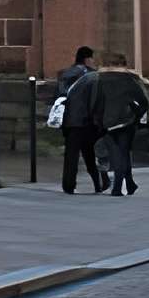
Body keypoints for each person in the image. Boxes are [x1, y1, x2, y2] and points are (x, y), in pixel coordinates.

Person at [87, 51, 149, 196]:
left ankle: (127, 183)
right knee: (124, 153)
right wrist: (136, 115)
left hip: (106, 121)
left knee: (116, 154)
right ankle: (119, 187)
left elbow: (95, 102)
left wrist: (97, 119)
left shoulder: (98, 79)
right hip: (126, 121)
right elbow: (143, 102)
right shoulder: (129, 79)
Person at [52, 45, 105, 193]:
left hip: (69, 121)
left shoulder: (64, 74)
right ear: (87, 59)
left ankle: (68, 185)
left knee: (71, 155)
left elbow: (59, 97)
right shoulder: (93, 76)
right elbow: (96, 100)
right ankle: (99, 182)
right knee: (91, 154)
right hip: (87, 121)